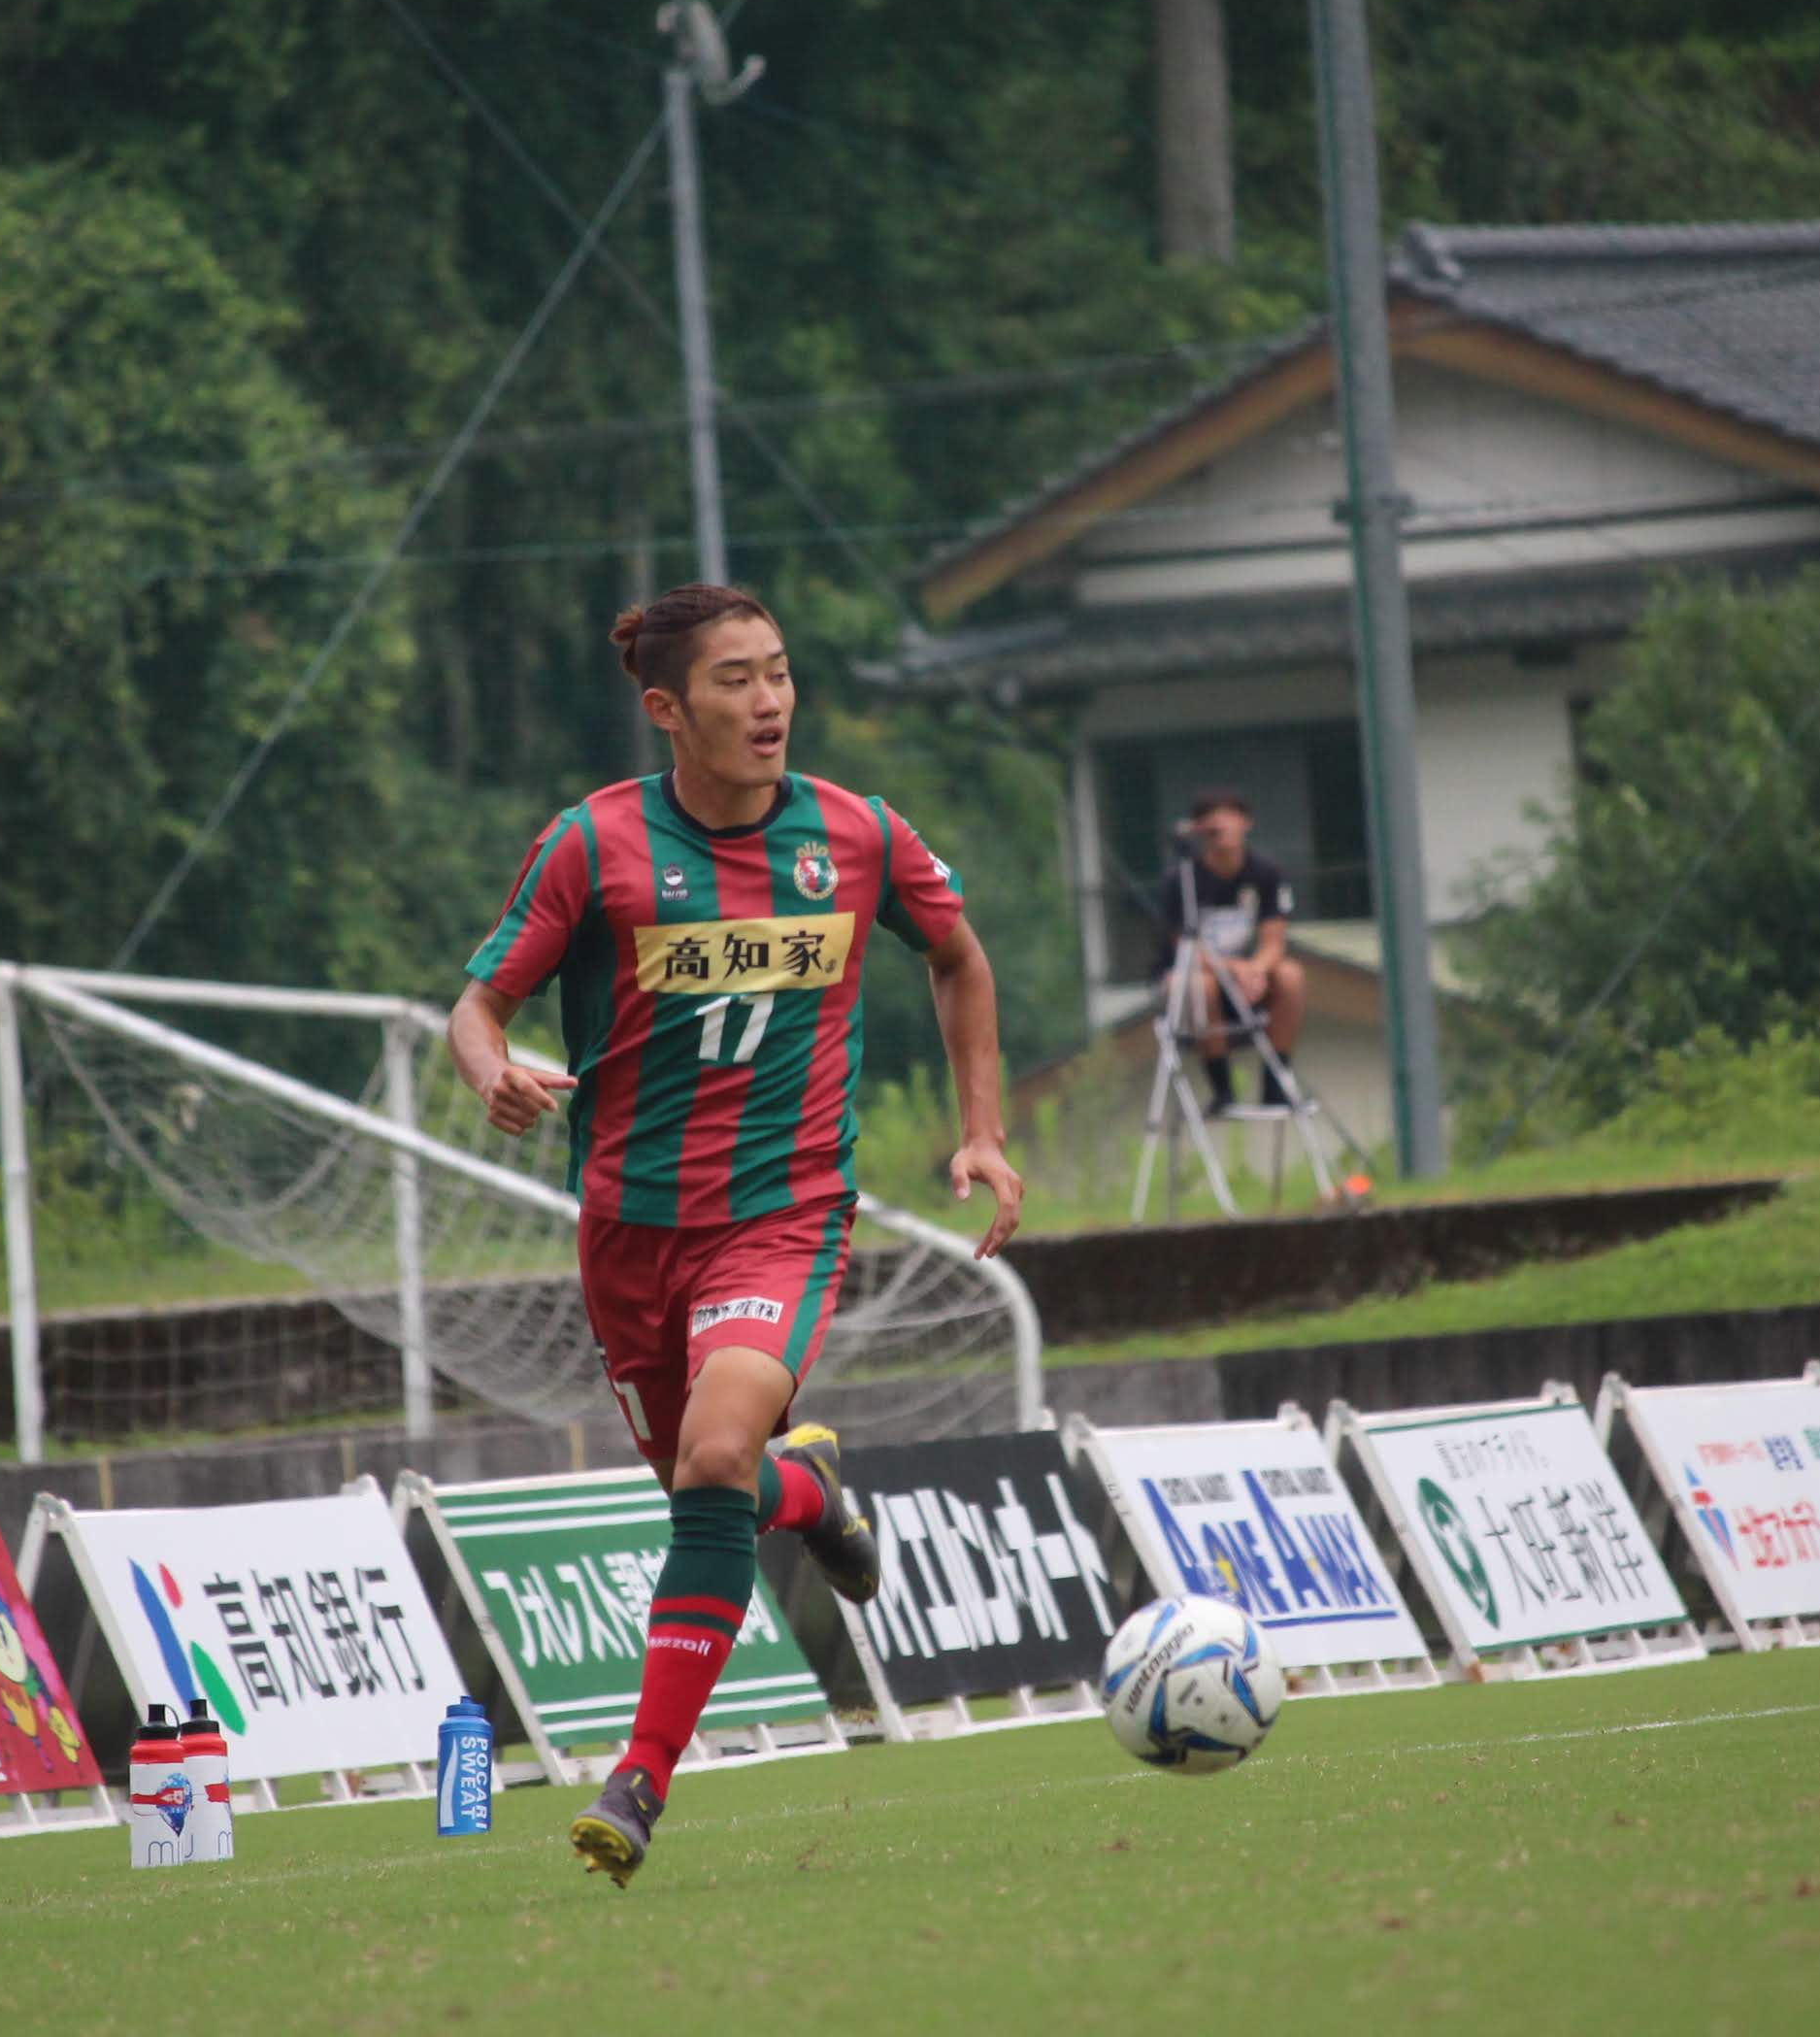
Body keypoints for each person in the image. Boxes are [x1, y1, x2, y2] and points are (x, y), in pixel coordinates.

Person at [447, 581, 1026, 1887]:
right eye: (735, 680)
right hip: (628, 1233)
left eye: (779, 673)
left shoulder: (857, 833)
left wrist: (983, 1132)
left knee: (714, 1456)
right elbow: (478, 1006)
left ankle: (639, 1782)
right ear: (667, 708)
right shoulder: (591, 846)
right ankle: (807, 1488)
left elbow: (959, 956)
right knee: (710, 1484)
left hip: (783, 1214)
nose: (769, 702)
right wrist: (491, 1070)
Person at [1153, 788, 1305, 1112]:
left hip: (1249, 980)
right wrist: (1235, 969)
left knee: (1291, 976)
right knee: (1202, 986)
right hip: (1199, 978)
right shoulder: (1183, 880)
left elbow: (1274, 939)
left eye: (1230, 815)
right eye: (1213, 818)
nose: (1222, 825)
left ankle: (1275, 1083)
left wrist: (1257, 970)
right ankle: (1222, 1088)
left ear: (1246, 823)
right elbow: (1183, 947)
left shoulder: (1266, 873)